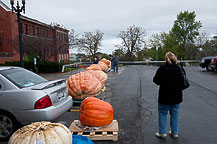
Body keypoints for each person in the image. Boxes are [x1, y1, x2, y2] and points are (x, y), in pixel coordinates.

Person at [153, 52, 187, 139]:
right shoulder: (180, 68)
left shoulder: (162, 68)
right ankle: (175, 132)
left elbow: (156, 80)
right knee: (175, 114)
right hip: (176, 96)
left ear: (166, 59)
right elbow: (183, 81)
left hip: (164, 96)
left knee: (162, 113)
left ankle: (162, 132)